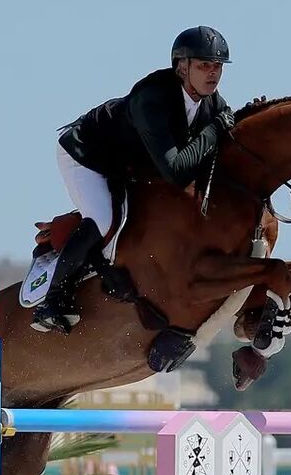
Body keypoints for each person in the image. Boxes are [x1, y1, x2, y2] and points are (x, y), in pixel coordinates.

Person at [31, 25, 237, 334]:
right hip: (86, 155)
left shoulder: (213, 105)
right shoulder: (151, 99)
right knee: (102, 219)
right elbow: (177, 171)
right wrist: (213, 131)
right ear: (182, 67)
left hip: (130, 166)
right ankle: (52, 300)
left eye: (217, 66)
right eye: (203, 65)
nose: (213, 73)